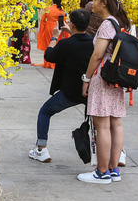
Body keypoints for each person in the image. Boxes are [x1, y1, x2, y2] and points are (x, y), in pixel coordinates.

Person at [78, 0, 131, 184]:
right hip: (116, 77)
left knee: (102, 126)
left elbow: (97, 55)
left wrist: (86, 79)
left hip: (103, 76)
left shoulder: (107, 24)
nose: (93, 2)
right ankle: (113, 169)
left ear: (104, 3)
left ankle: (101, 172)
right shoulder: (120, 22)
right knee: (116, 123)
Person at [29, 9, 94, 163]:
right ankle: (117, 152)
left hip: (70, 92)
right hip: (90, 91)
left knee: (45, 112)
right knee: (102, 123)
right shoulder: (94, 42)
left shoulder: (65, 44)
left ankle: (41, 149)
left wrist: (54, 37)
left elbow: (49, 55)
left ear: (72, 24)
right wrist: (71, 32)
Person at [38, 0, 69, 69]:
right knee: (57, 43)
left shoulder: (48, 9)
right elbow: (64, 21)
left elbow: (42, 20)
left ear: (52, 1)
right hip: (58, 27)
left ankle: (48, 63)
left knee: (48, 43)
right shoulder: (61, 10)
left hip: (48, 27)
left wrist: (44, 27)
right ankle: (55, 62)